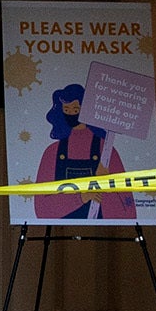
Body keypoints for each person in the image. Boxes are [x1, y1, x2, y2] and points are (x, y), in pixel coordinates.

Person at [33, 82, 110, 220]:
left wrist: (108, 184)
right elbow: (42, 208)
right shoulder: (52, 153)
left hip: (101, 228)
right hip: (60, 226)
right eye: (66, 110)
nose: (71, 114)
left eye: (75, 110)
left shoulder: (106, 150)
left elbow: (126, 207)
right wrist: (81, 197)